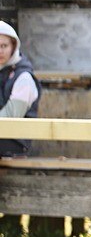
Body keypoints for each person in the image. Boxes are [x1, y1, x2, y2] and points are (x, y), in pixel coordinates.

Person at [0, 21, 41, 158]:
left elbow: (10, 117)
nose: (0, 51)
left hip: (14, 141)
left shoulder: (23, 77)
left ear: (13, 46)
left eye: (4, 46)